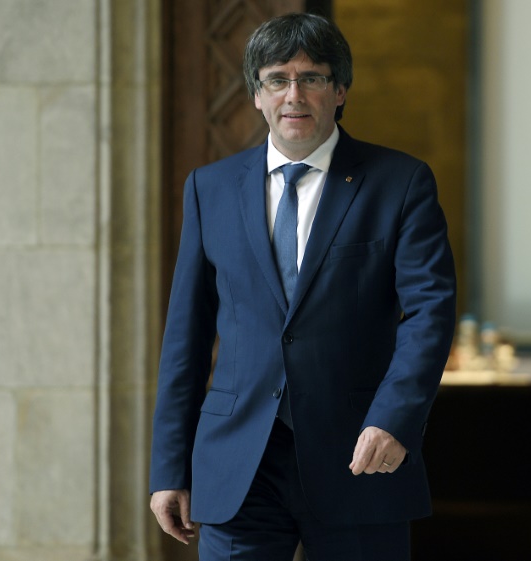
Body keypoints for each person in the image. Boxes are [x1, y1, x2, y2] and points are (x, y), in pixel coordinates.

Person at [150, 12, 456, 561]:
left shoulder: (400, 183)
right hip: (239, 464)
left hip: (359, 455)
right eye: (277, 80)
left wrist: (394, 418)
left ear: (339, 91)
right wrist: (169, 467)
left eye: (311, 78)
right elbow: (185, 338)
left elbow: (430, 314)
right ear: (257, 95)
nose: (294, 95)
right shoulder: (209, 188)